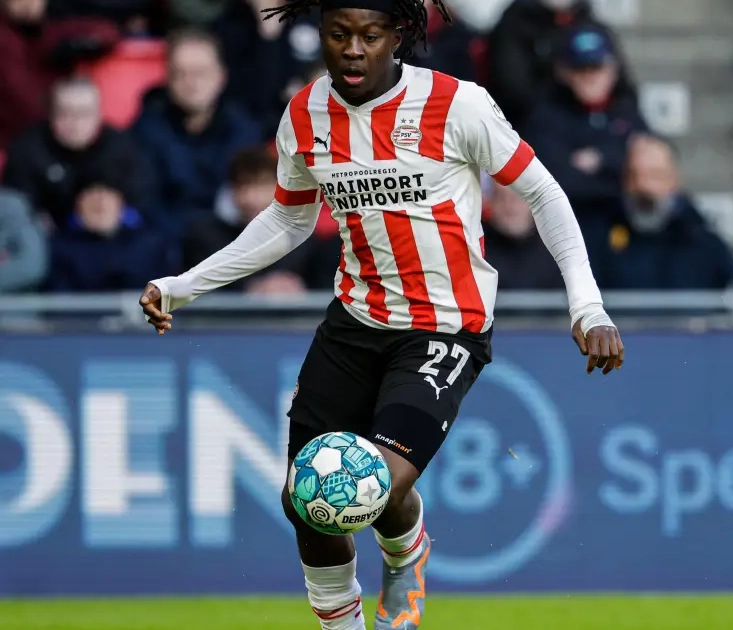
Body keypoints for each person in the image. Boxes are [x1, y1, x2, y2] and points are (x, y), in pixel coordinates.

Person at [136, 1, 624, 629]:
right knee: (305, 500)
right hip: (355, 322)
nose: (353, 49)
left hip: (444, 326)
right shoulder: (305, 114)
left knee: (373, 481)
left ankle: (406, 551)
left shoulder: (456, 104)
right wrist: (182, 287)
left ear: (399, 35)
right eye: (339, 34)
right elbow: (288, 220)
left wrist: (587, 306)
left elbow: (543, 194)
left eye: (370, 35)